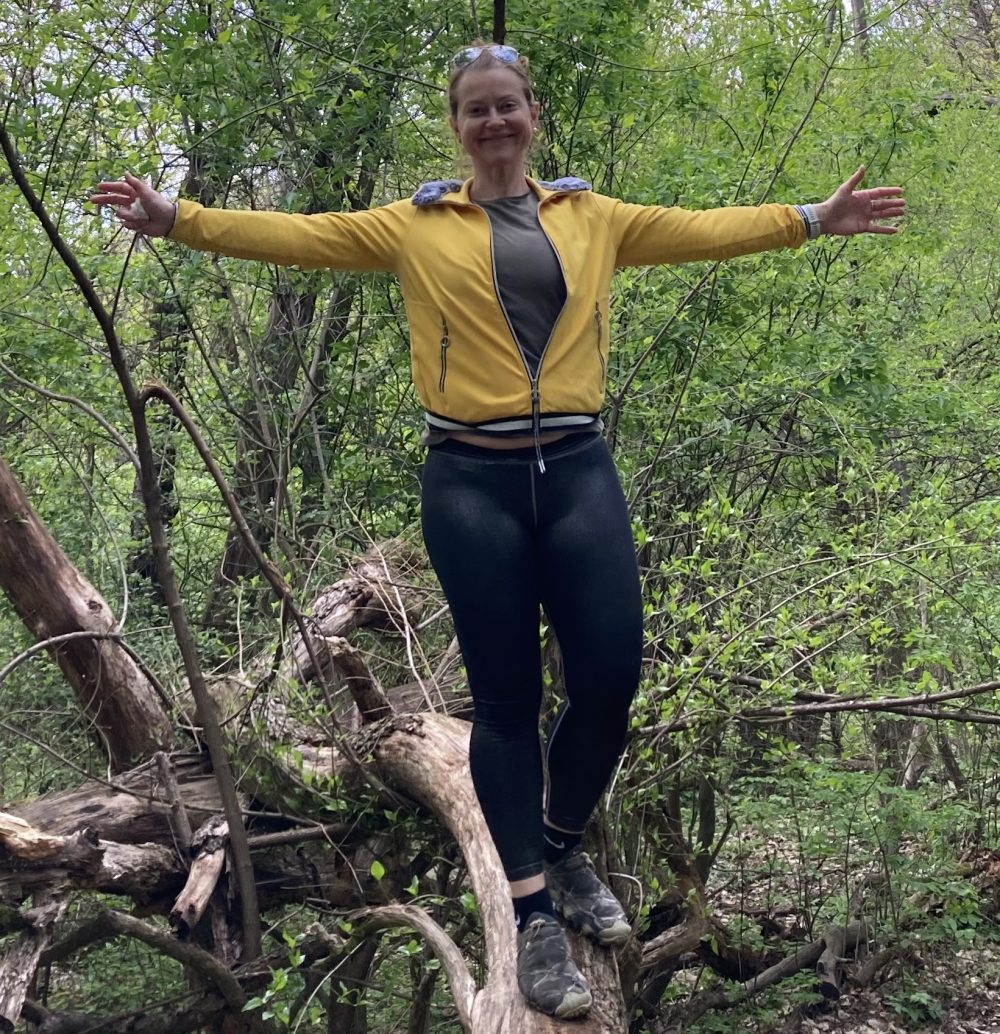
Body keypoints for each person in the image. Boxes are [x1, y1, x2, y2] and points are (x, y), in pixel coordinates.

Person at [92, 41, 905, 1019]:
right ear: (456, 125)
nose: (493, 122)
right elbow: (298, 236)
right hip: (469, 480)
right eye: (474, 108)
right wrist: (175, 218)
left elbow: (703, 229)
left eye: (506, 104)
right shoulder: (413, 224)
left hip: (577, 471)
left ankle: (560, 845)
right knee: (508, 701)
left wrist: (812, 217)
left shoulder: (592, 216)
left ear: (532, 114)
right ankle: (531, 914)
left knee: (610, 678)